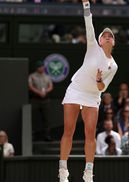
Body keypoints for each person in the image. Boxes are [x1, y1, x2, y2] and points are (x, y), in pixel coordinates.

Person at [59, 0, 118, 181]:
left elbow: (102, 87)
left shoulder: (113, 66)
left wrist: (99, 79)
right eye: (105, 35)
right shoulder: (92, 46)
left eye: (110, 36)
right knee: (68, 130)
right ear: (100, 41)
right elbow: (88, 23)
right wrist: (86, 5)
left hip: (92, 96)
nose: (107, 37)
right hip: (75, 89)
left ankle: (88, 173)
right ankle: (63, 171)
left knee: (90, 134)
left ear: (113, 42)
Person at [28, 60, 53, 141]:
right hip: (35, 99)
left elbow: (50, 86)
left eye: (42, 66)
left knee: (47, 118)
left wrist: (46, 91)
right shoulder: (32, 76)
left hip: (45, 99)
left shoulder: (47, 76)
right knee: (33, 118)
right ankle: (32, 136)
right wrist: (38, 92)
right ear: (37, 68)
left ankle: (47, 135)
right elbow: (30, 86)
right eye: (40, 67)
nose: (41, 68)